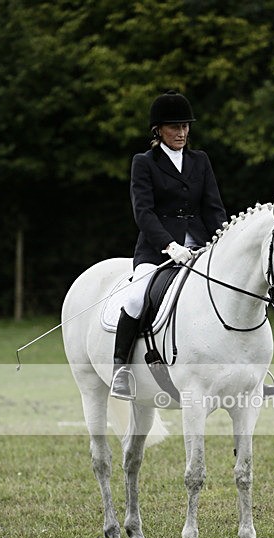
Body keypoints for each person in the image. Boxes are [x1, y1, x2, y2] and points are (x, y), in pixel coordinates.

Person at [111, 89, 228, 399]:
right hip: (157, 249)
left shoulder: (200, 160)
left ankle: (244, 371)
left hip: (202, 247)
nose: (182, 132)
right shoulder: (144, 163)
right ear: (158, 130)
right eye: (175, 127)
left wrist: (223, 240)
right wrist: (169, 245)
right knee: (136, 297)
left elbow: (213, 207)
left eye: (185, 126)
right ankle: (120, 370)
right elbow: (143, 212)